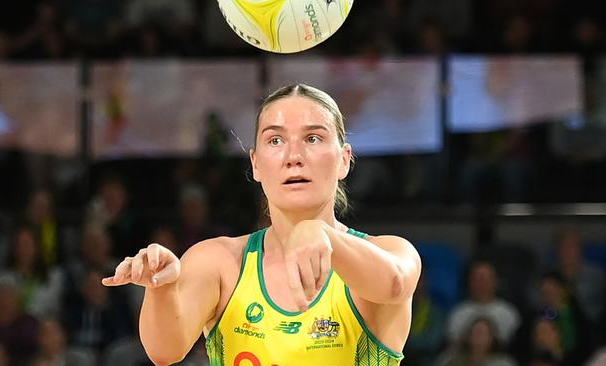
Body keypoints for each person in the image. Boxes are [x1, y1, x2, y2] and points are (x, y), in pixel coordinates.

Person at [102, 83, 422, 365]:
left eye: (313, 138)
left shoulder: (390, 251)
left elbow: (393, 284)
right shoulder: (219, 261)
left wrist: (321, 234)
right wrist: (162, 288)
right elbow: (164, 352)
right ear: (255, 164)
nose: (293, 155)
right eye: (275, 141)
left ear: (344, 159)